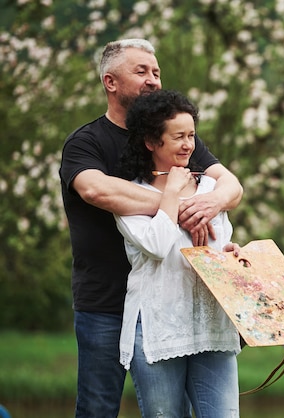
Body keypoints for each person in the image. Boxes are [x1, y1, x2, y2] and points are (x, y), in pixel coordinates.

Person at [59, 39, 243, 418]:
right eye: (141, 71)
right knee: (98, 408)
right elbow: (97, 189)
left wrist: (210, 204)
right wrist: (179, 204)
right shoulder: (86, 141)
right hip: (107, 300)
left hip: (181, 300)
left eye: (156, 72)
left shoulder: (177, 138)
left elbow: (230, 187)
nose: (152, 80)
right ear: (110, 82)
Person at [115, 89, 241, 418]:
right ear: (152, 142)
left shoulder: (210, 191)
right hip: (159, 325)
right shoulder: (130, 194)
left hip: (211, 322)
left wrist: (231, 254)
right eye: (178, 137)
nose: (189, 145)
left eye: (192, 136)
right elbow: (156, 246)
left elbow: (217, 246)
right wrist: (171, 191)